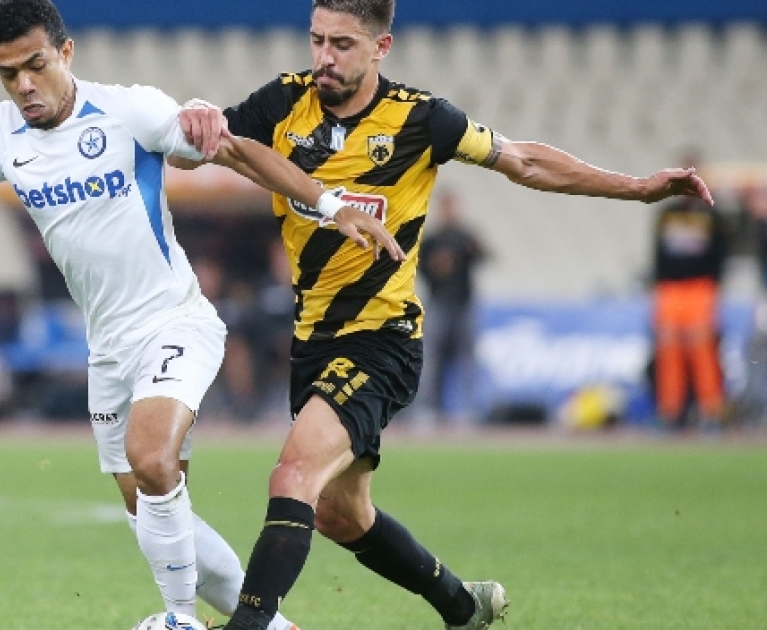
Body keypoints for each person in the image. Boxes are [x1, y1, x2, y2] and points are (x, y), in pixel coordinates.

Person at [175, 1, 714, 628]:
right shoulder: (282, 103)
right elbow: (198, 152)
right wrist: (195, 121)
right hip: (313, 340)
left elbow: (523, 160)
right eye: (317, 40)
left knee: (293, 475)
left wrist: (639, 188)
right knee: (340, 514)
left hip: (382, 338)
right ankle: (463, 606)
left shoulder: (422, 118)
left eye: (342, 44)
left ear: (381, 47)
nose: (324, 57)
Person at [0, 1, 398, 625]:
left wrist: (331, 206)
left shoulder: (127, 110)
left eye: (35, 65)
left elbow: (236, 152)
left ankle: (177, 618)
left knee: (152, 458)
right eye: (8, 73)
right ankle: (271, 625)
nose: (24, 84)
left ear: (66, 53)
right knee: (149, 505)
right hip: (108, 348)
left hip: (175, 322)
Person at [651, 156, 728, 431]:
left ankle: (711, 412)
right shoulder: (667, 213)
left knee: (702, 350)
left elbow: (719, 255)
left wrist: (714, 290)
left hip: (700, 288)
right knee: (668, 352)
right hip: (670, 289)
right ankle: (670, 412)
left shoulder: (711, 214)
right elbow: (658, 254)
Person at [416, 191, 487, 424]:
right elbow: (418, 267)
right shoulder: (432, 240)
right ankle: (427, 410)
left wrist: (473, 249)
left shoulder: (465, 237)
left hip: (464, 304)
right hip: (438, 303)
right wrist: (435, 267)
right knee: (431, 359)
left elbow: (484, 257)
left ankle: (468, 410)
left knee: (467, 359)